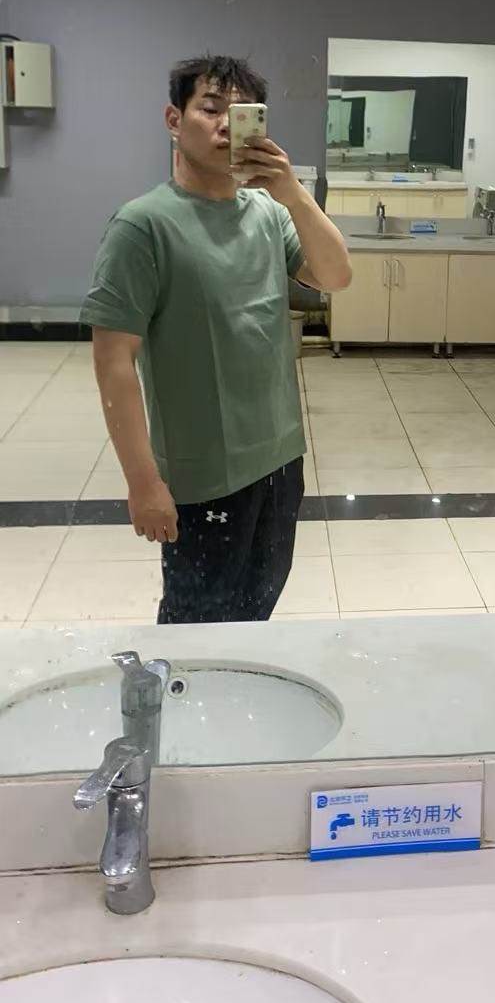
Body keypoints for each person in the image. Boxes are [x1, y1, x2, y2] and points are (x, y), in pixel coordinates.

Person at [80, 55, 352, 624]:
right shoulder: (142, 226)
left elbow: (335, 276)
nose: (227, 124)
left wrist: (293, 193)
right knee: (195, 627)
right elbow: (114, 364)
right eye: (210, 109)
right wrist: (143, 483)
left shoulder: (268, 213)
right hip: (201, 475)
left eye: (244, 114)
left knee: (256, 613)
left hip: (280, 461)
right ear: (173, 120)